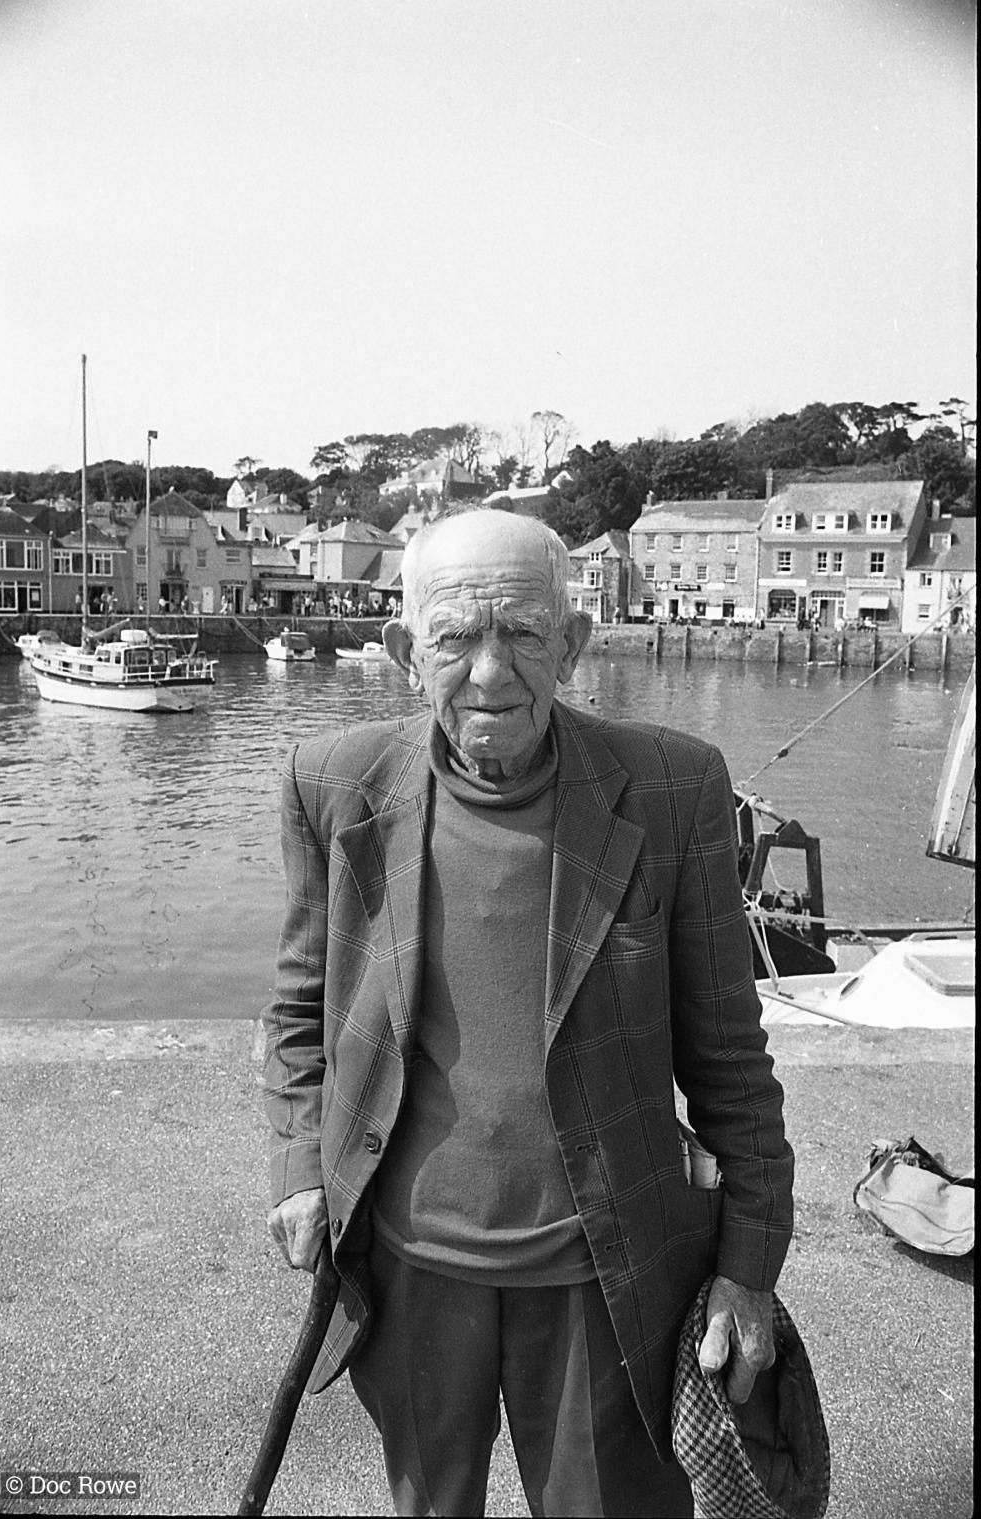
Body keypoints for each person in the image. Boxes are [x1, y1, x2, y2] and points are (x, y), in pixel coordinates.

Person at [261, 509, 793, 1518]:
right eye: (456, 639)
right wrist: (296, 1169)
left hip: (609, 1273)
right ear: (404, 651)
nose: (491, 674)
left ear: (576, 644)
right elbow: (296, 1009)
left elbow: (728, 1049)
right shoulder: (331, 782)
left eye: (523, 633)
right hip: (407, 1267)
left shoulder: (673, 788)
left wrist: (748, 1268)